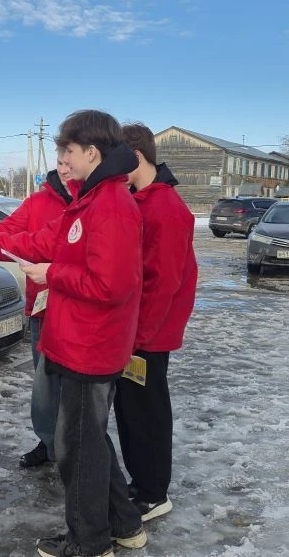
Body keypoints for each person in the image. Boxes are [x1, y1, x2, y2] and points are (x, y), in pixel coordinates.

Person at [0, 110, 147, 557]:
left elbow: (112, 286)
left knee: (77, 448)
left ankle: (89, 542)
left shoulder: (111, 205)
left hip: (90, 347)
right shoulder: (89, 199)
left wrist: (52, 274)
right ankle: (125, 524)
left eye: (67, 151)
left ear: (91, 152)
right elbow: (39, 240)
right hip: (75, 341)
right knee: (89, 441)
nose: (63, 161)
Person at [0, 150, 79, 468]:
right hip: (42, 310)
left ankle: (73, 449)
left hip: (78, 309)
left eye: (70, 163)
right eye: (60, 163)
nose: (65, 169)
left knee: (76, 390)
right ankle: (48, 442)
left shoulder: (90, 203)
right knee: (44, 384)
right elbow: (7, 231)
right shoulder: (38, 202)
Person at [115, 123, 198, 522]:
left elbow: (163, 282)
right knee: (130, 411)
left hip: (148, 333)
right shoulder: (140, 199)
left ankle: (153, 492)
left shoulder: (165, 207)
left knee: (147, 413)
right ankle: (141, 482)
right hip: (134, 330)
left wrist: (138, 337)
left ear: (135, 157)